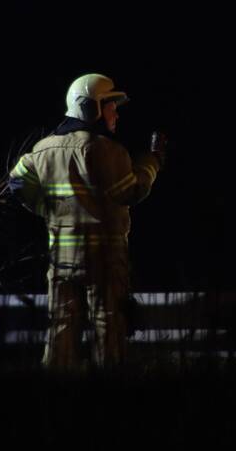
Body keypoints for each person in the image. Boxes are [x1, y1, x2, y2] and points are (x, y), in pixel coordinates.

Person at [8, 74, 164, 368]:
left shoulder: (43, 149)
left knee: (61, 327)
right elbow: (133, 191)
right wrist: (152, 162)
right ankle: (107, 388)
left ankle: (56, 388)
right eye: (111, 107)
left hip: (62, 260)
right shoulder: (107, 149)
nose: (116, 114)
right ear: (92, 108)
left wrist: (47, 208)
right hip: (104, 259)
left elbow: (16, 182)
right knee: (109, 326)